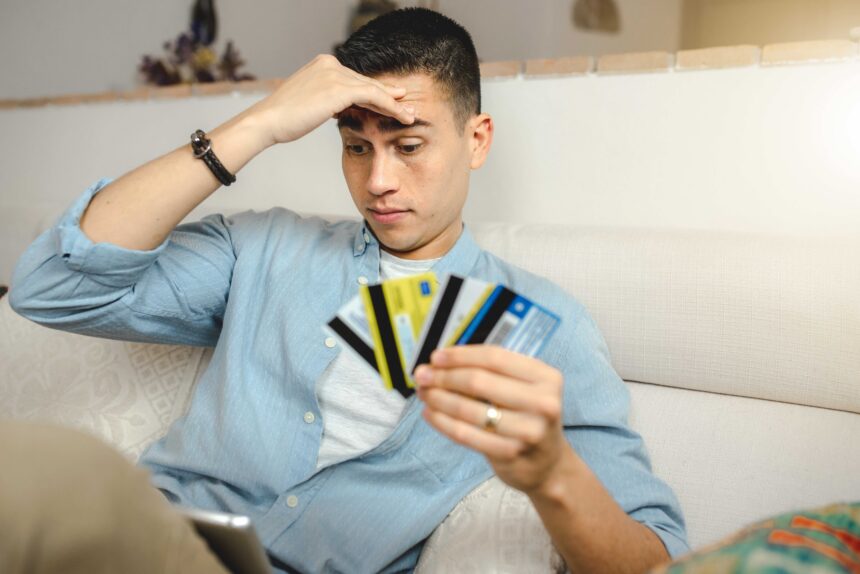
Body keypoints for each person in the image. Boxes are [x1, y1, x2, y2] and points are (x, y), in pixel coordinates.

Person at [6, 7, 688, 573]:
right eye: (356, 146)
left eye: (409, 145)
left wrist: (552, 475)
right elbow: (51, 286)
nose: (379, 180)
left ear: (476, 140)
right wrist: (260, 124)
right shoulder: (263, 249)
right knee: (38, 468)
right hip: (157, 540)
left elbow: (658, 563)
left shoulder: (546, 326)